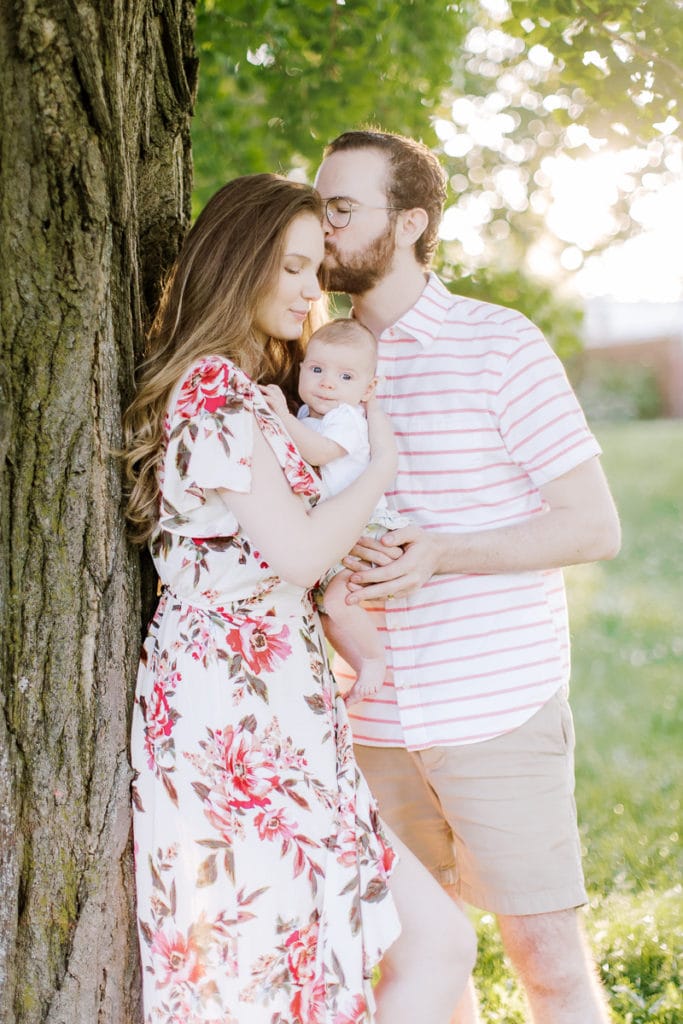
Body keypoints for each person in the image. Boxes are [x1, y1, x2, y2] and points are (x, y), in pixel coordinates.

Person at [122, 172, 475, 1024]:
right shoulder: (211, 388)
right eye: (290, 267)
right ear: (236, 263)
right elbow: (297, 550)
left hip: (277, 700)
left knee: (421, 945)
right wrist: (378, 471)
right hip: (233, 716)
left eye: (317, 269)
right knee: (273, 978)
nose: (311, 291)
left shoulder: (255, 394)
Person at [314, 130, 622, 1024]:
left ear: (409, 223)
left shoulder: (497, 344)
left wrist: (442, 552)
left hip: (493, 708)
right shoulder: (306, 355)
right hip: (363, 722)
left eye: (342, 207)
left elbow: (592, 526)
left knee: (548, 967)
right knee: (418, 972)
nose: (321, 223)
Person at [261, 317, 410, 706]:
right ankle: (361, 664)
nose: (328, 383)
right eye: (317, 370)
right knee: (327, 610)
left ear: (367, 389)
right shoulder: (313, 418)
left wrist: (282, 417)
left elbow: (320, 452)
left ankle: (375, 659)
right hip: (335, 533)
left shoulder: (345, 419)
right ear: (301, 370)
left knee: (340, 599)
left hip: (365, 528)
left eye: (345, 377)